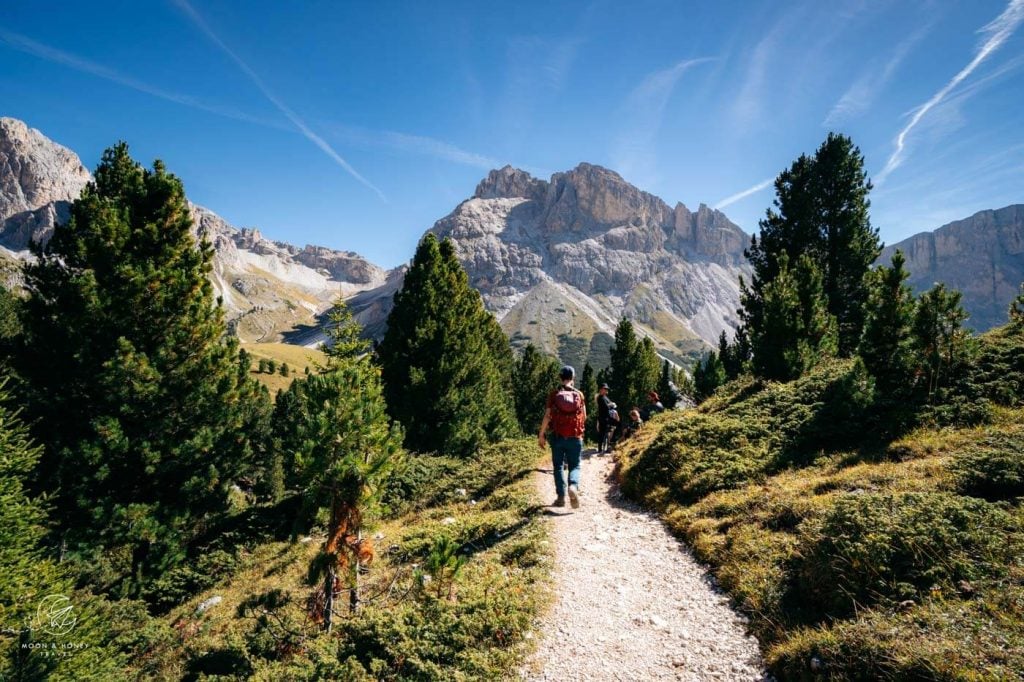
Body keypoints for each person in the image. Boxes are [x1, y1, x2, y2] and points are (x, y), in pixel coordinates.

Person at [538, 365, 586, 508]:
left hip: (558, 436)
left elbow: (547, 416)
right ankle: (573, 486)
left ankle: (561, 497)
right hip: (575, 436)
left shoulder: (554, 394)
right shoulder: (579, 394)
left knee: (558, 466)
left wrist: (541, 434)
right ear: (573, 378)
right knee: (575, 465)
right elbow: (585, 416)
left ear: (560, 377)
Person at [596, 383, 613, 454]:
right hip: (603, 418)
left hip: (607, 417)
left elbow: (609, 404)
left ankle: (605, 447)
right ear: (601, 389)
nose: (606, 390)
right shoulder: (600, 397)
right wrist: (611, 405)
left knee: (608, 433)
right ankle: (600, 449)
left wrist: (611, 404)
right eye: (604, 389)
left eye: (606, 389)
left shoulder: (605, 397)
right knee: (602, 434)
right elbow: (606, 407)